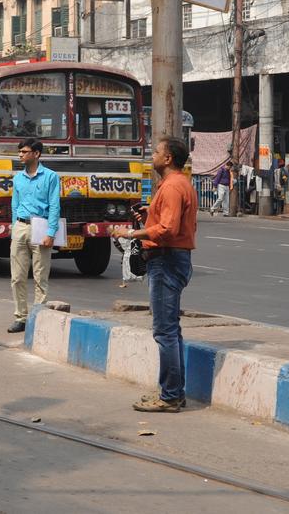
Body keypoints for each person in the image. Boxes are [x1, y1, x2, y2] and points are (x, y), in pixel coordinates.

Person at [112, 137, 197, 413]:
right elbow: (170, 221)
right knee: (172, 330)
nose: (153, 154)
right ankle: (174, 392)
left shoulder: (172, 186)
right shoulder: (179, 185)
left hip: (166, 260)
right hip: (173, 259)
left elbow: (168, 229)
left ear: (169, 158)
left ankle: (171, 396)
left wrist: (131, 233)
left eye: (157, 151)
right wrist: (150, 213)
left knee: (164, 331)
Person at [7, 138, 60, 333]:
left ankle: (39, 316)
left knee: (40, 276)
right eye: (20, 152)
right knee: (17, 277)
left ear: (36, 154)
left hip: (41, 226)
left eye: (24, 151)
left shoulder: (51, 177)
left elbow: (55, 205)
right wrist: (14, 227)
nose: (20, 155)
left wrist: (51, 232)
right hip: (20, 226)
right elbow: (15, 204)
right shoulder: (18, 178)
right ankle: (20, 317)